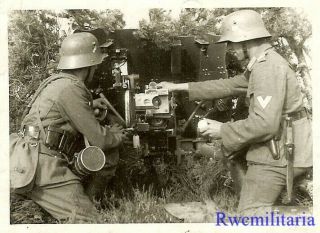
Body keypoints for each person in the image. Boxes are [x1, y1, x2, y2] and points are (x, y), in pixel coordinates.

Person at [159, 10, 312, 215]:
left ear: (245, 39)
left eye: (231, 43)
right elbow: (229, 85)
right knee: (232, 151)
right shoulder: (263, 63)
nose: (229, 49)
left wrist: (222, 129)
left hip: (282, 153)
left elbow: (265, 125)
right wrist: (178, 87)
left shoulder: (267, 69)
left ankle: (308, 217)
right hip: (283, 144)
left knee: (250, 213)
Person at [10, 32, 127, 222]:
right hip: (42, 164)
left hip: (29, 154)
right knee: (89, 222)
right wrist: (116, 135)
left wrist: (89, 105)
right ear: (89, 66)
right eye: (95, 67)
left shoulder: (60, 82)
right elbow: (100, 140)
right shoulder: (71, 88)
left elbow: (59, 111)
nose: (96, 71)